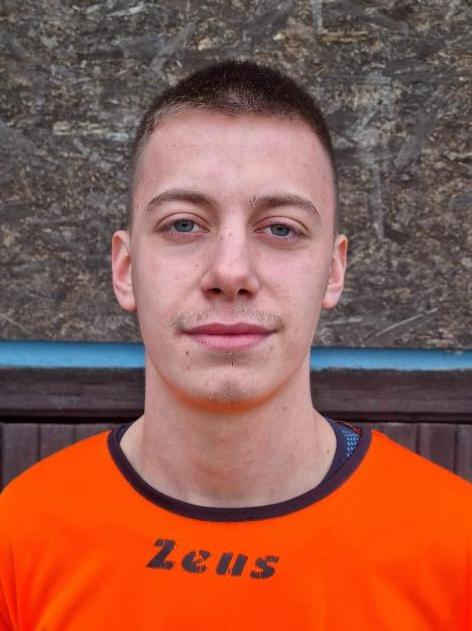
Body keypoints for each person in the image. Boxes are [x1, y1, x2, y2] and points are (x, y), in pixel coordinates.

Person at [0, 59, 470, 630]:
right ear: (125, 269)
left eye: (280, 228)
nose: (230, 271)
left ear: (333, 272)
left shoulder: (454, 546)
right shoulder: (22, 534)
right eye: (183, 224)